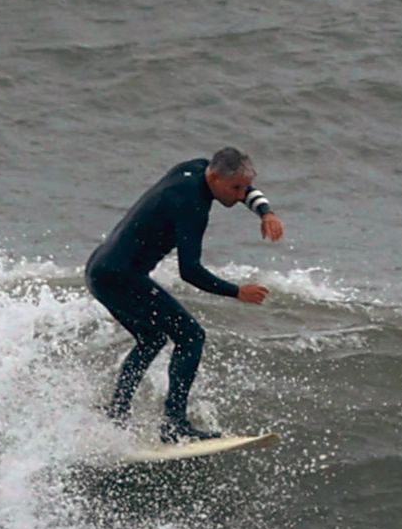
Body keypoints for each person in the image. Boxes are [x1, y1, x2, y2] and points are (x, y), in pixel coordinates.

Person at [87, 144, 281, 438]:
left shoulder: (196, 167)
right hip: (119, 276)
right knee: (191, 337)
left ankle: (118, 412)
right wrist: (237, 291)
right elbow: (189, 271)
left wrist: (265, 212)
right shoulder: (191, 205)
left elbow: (243, 187)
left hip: (99, 270)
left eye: (246, 188)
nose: (243, 195)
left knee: (151, 339)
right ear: (215, 179)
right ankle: (174, 425)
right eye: (237, 188)